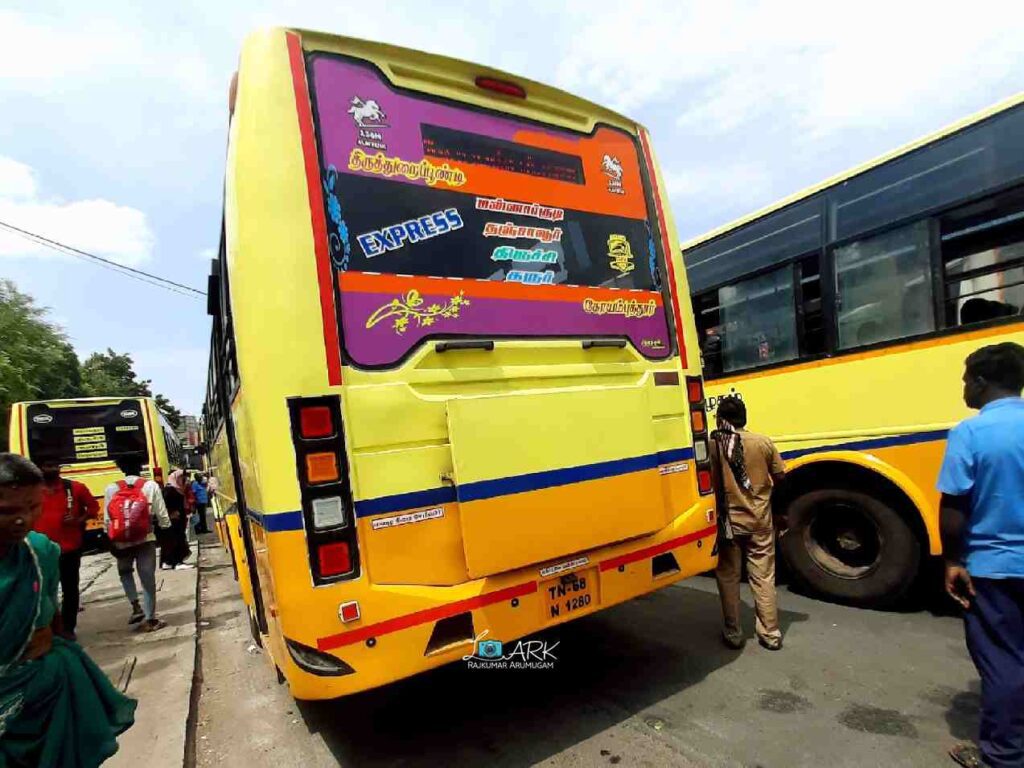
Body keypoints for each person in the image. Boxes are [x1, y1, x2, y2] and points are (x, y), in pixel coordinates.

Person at [0, 453, 136, 766]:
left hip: (49, 696)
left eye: (33, 507)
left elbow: (50, 612)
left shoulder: (41, 552)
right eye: (7, 511)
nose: (23, 519)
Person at [938, 342, 1024, 768]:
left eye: (966, 379)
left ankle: (1003, 757)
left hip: (996, 568)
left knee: (1004, 663)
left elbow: (954, 508)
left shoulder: (971, 432)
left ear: (982, 381)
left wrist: (953, 561)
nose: (964, 388)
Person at [710, 395, 786, 651]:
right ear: (745, 418)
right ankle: (770, 634)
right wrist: (779, 513)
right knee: (763, 576)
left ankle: (733, 632)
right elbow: (780, 477)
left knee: (729, 576)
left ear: (721, 419)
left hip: (729, 524)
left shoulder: (714, 445)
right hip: (761, 520)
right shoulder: (763, 442)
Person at [32, 460, 99, 641]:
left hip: (69, 549)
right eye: (45, 465)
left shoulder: (75, 488)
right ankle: (49, 627)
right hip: (41, 552)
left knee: (70, 590)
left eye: (52, 465)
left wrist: (78, 519)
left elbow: (93, 508)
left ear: (59, 469)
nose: (49, 468)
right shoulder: (32, 492)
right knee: (44, 591)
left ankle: (68, 628)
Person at [104, 456, 171, 631]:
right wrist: (165, 529)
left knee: (125, 572)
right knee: (147, 578)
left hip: (121, 540)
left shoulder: (111, 488)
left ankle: (135, 606)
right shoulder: (150, 486)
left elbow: (107, 520)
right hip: (145, 538)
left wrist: (112, 539)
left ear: (121, 468)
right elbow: (163, 516)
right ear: (141, 467)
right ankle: (150, 619)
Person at [160, 470, 193, 570]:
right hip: (174, 520)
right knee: (176, 540)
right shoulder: (170, 490)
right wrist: (170, 513)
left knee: (173, 540)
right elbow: (163, 504)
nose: (184, 480)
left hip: (178, 519)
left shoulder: (178, 489)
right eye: (182, 478)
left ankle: (168, 562)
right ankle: (177, 562)